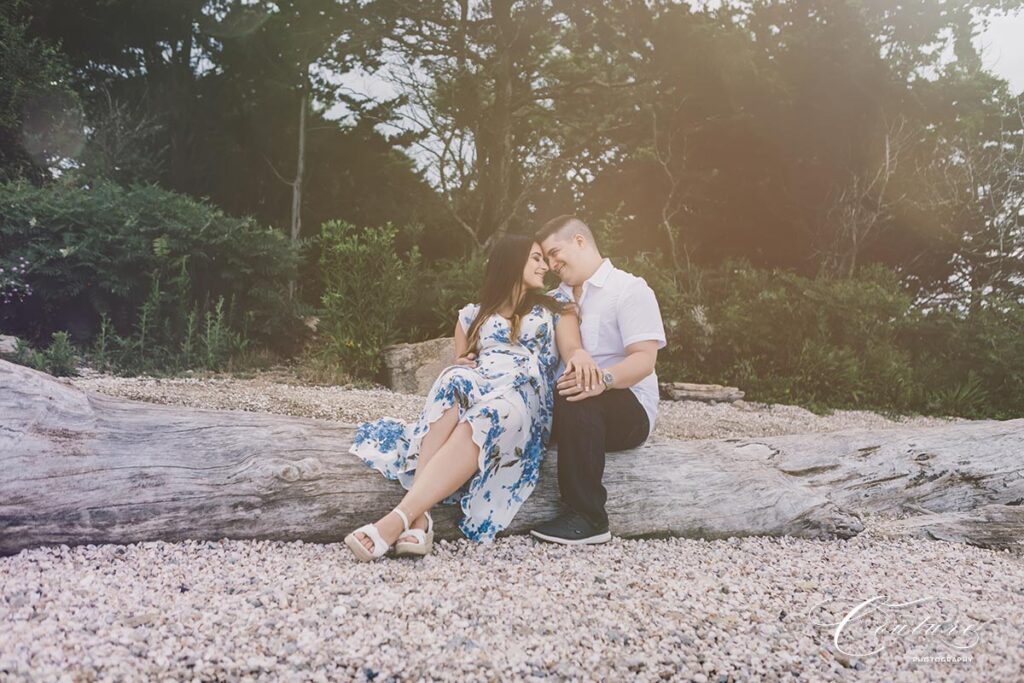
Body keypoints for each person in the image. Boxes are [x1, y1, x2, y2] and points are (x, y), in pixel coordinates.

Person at [344, 234, 599, 561]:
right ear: (511, 261)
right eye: (535, 258)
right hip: (482, 380)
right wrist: (460, 365)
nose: (545, 266)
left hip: (523, 394)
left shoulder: (557, 309)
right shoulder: (471, 316)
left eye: (544, 259)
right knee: (454, 377)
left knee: (491, 414)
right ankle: (419, 518)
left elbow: (571, 348)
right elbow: (464, 359)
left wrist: (580, 356)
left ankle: (398, 519)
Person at [530, 215, 667, 545]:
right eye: (545, 258)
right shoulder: (554, 298)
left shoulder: (629, 289)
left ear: (580, 241)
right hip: (573, 405)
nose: (550, 263)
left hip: (627, 406)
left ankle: (589, 517)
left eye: (554, 252)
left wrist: (601, 380)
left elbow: (644, 361)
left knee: (579, 391)